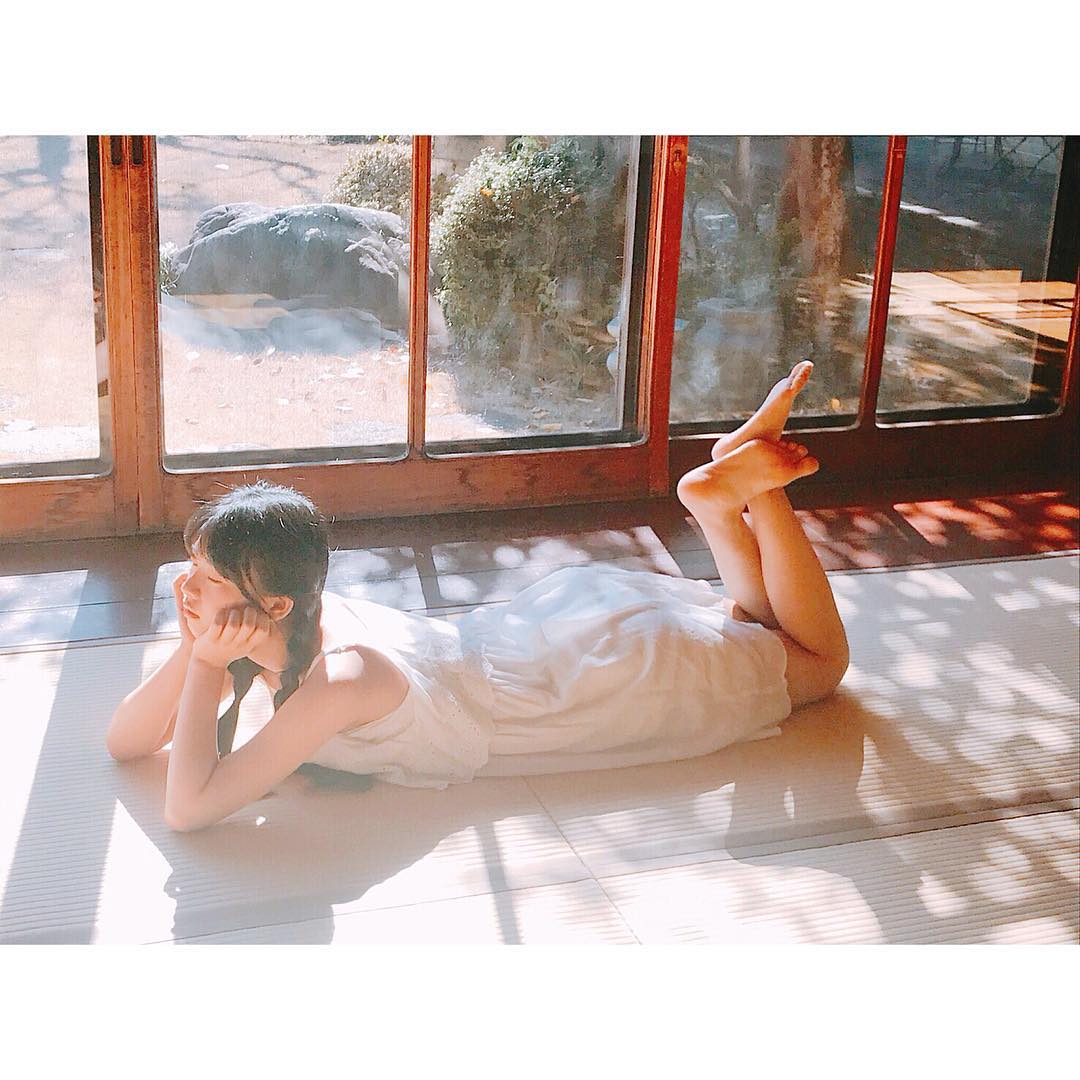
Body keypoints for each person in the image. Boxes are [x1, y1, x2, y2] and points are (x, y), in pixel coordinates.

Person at [106, 360, 849, 832]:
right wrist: (194, 652)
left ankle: (761, 491)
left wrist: (206, 665)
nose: (185, 587)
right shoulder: (288, 624)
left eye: (207, 577)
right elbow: (126, 742)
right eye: (192, 566)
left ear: (276, 605)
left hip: (596, 680)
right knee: (753, 630)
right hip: (555, 644)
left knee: (818, 664)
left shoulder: (338, 677)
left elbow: (189, 808)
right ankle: (723, 497)